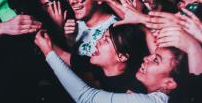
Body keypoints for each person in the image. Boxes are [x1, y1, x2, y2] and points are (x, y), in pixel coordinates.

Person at [35, 30, 190, 103]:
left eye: (106, 40)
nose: (146, 58)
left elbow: (85, 97)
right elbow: (64, 57)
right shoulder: (94, 66)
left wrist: (48, 52)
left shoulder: (138, 92)